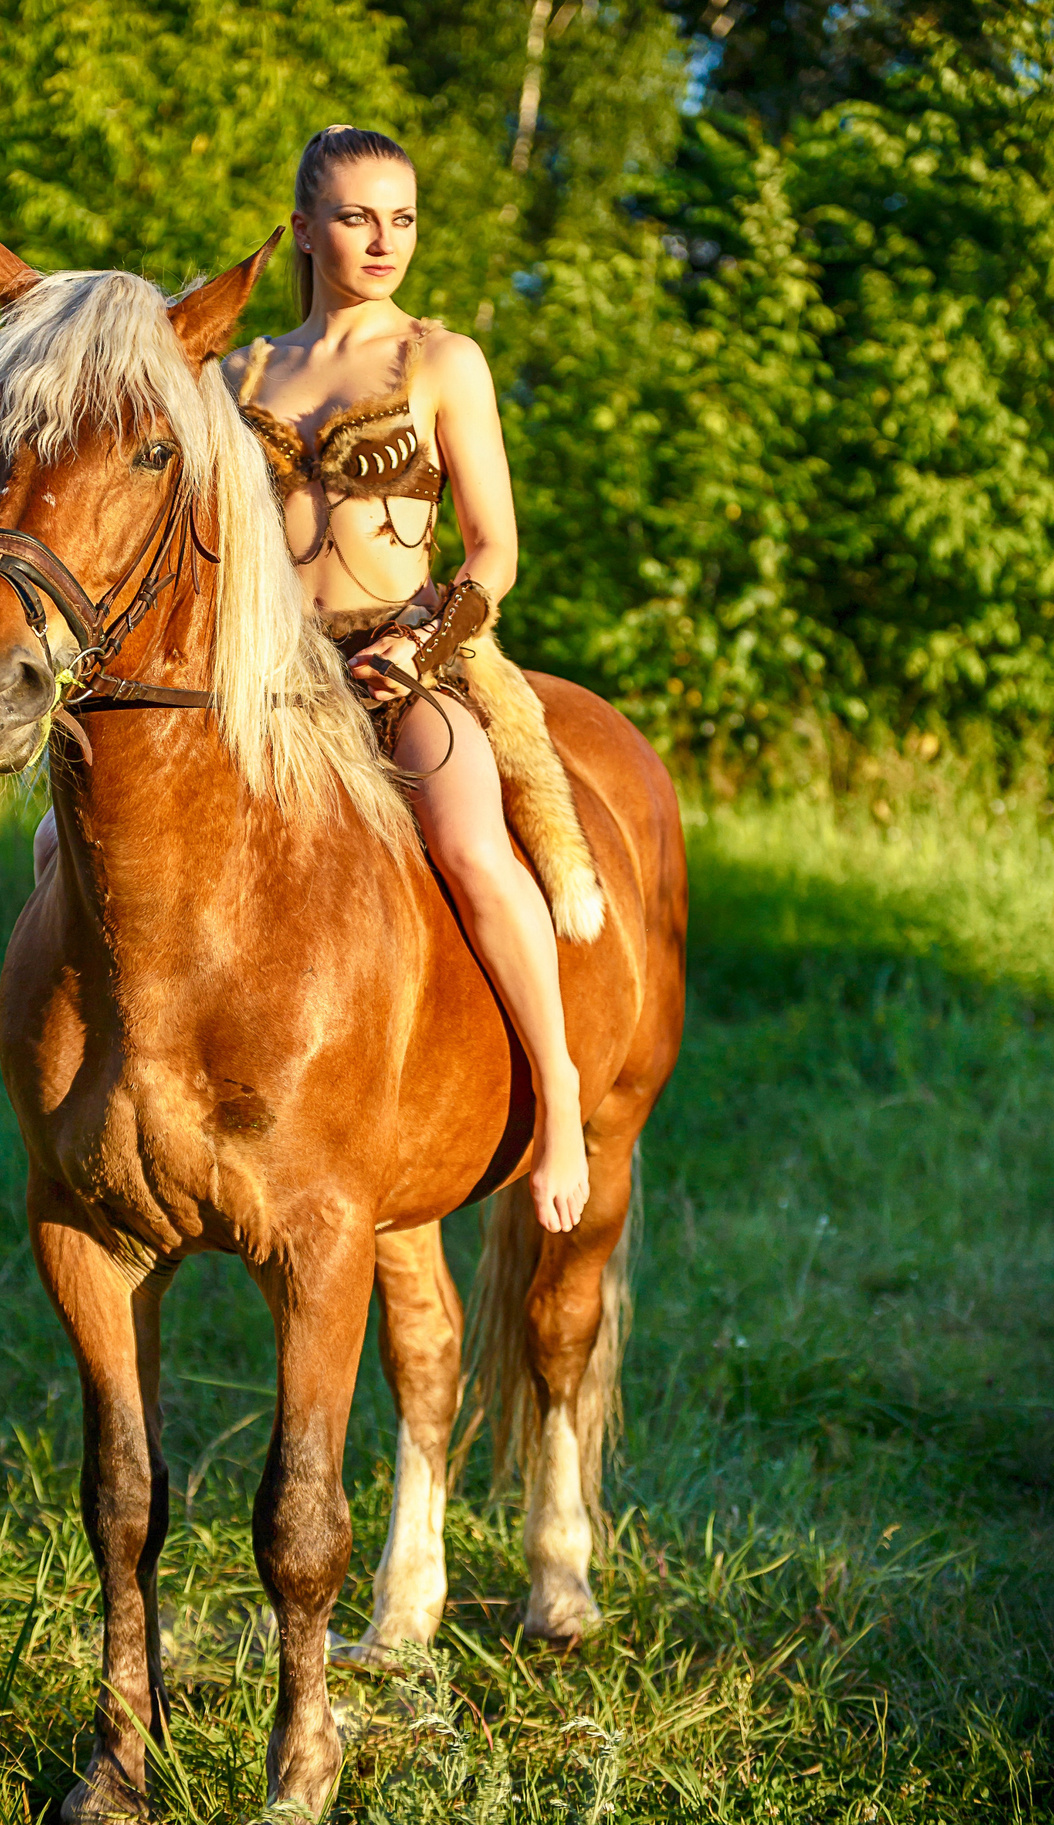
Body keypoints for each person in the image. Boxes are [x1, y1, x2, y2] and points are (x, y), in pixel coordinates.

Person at [220, 124, 594, 1236]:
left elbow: (493, 550)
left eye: (403, 218)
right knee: (65, 846)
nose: (383, 240)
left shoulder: (441, 360)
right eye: (355, 217)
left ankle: (559, 1095)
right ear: (302, 228)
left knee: (473, 845)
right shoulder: (240, 370)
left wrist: (419, 647)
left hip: (407, 653)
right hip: (273, 669)